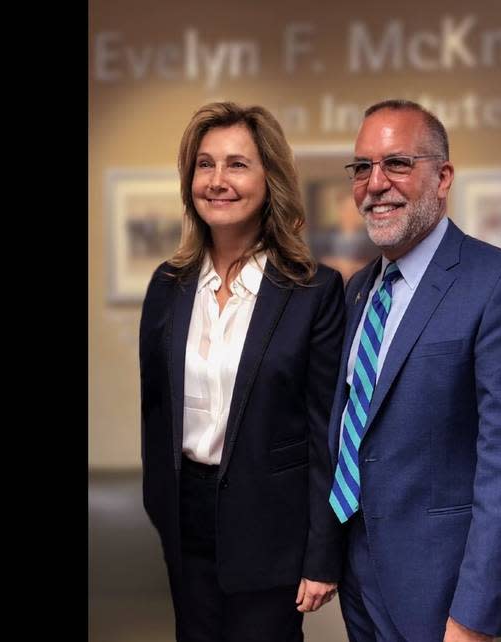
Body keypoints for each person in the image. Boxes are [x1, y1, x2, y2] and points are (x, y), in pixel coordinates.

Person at [327, 99, 501, 641]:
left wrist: (475, 617)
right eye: (362, 167)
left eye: (397, 164)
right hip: (361, 582)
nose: (375, 183)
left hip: (446, 600)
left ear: (443, 176)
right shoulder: (359, 290)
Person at [138, 102, 345, 641]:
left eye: (236, 164)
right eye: (204, 165)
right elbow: (155, 408)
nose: (217, 181)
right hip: (187, 524)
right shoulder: (167, 284)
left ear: (269, 179)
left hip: (273, 528)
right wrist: (161, 506)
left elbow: (327, 433)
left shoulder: (314, 291)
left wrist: (323, 552)